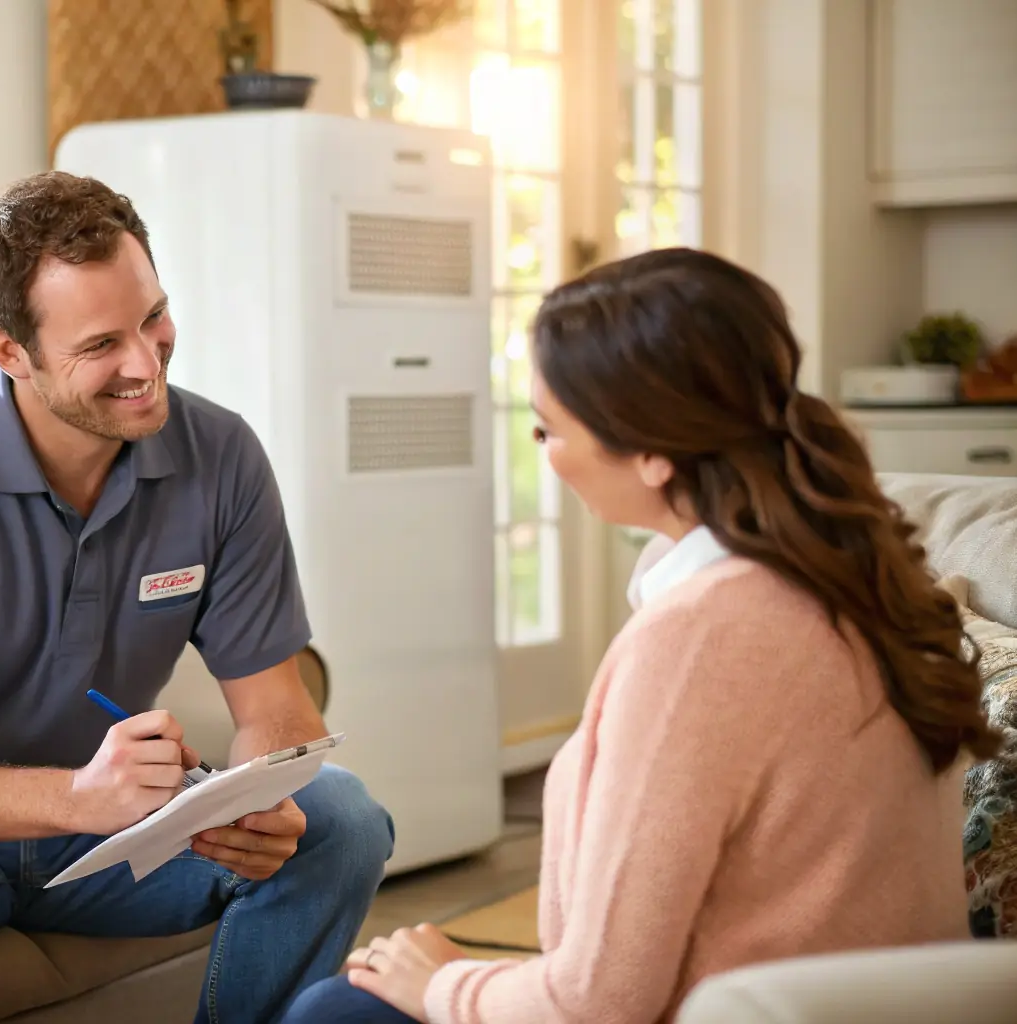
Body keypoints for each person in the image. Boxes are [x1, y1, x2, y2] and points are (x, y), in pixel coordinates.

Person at [280, 247, 999, 1024]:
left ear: (653, 452)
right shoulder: (853, 571)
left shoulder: (701, 637)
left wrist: (441, 985)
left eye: (548, 431)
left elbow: (598, 1002)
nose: (543, 457)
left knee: (337, 1010)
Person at [0, 170, 395, 1024]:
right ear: (8, 352)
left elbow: (275, 705)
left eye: (153, 317)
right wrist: (76, 796)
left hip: (113, 827)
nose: (145, 363)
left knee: (341, 819)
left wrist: (261, 803)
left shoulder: (221, 456)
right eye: (101, 343)